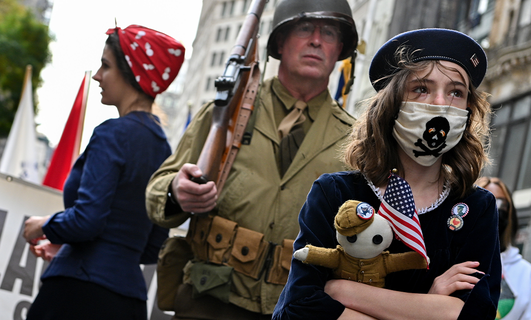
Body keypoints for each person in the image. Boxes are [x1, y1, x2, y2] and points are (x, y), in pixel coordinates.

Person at [144, 0, 359, 318]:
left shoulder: (354, 141)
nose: (316, 40)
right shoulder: (228, 111)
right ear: (280, 42)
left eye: (328, 32)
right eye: (304, 28)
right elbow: (158, 192)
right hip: (209, 300)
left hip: (293, 308)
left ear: (339, 48)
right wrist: (178, 190)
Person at [273, 28, 501, 320]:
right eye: (421, 88)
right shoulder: (335, 193)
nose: (440, 103)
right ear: (393, 102)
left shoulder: (477, 208)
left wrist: (343, 291)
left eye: (456, 92)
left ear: (468, 108)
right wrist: (430, 307)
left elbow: (475, 314)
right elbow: (299, 308)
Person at [22, 24, 185, 320]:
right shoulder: (164, 148)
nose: (97, 75)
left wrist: (42, 224)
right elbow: (152, 245)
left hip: (74, 297)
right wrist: (73, 248)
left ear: (131, 74)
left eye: (105, 65)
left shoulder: (112, 134)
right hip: (127, 301)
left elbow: (87, 219)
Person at [476, 177, 531, 320]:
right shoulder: (451, 258)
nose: (495, 208)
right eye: (487, 199)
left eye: (502, 203)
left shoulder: (526, 274)